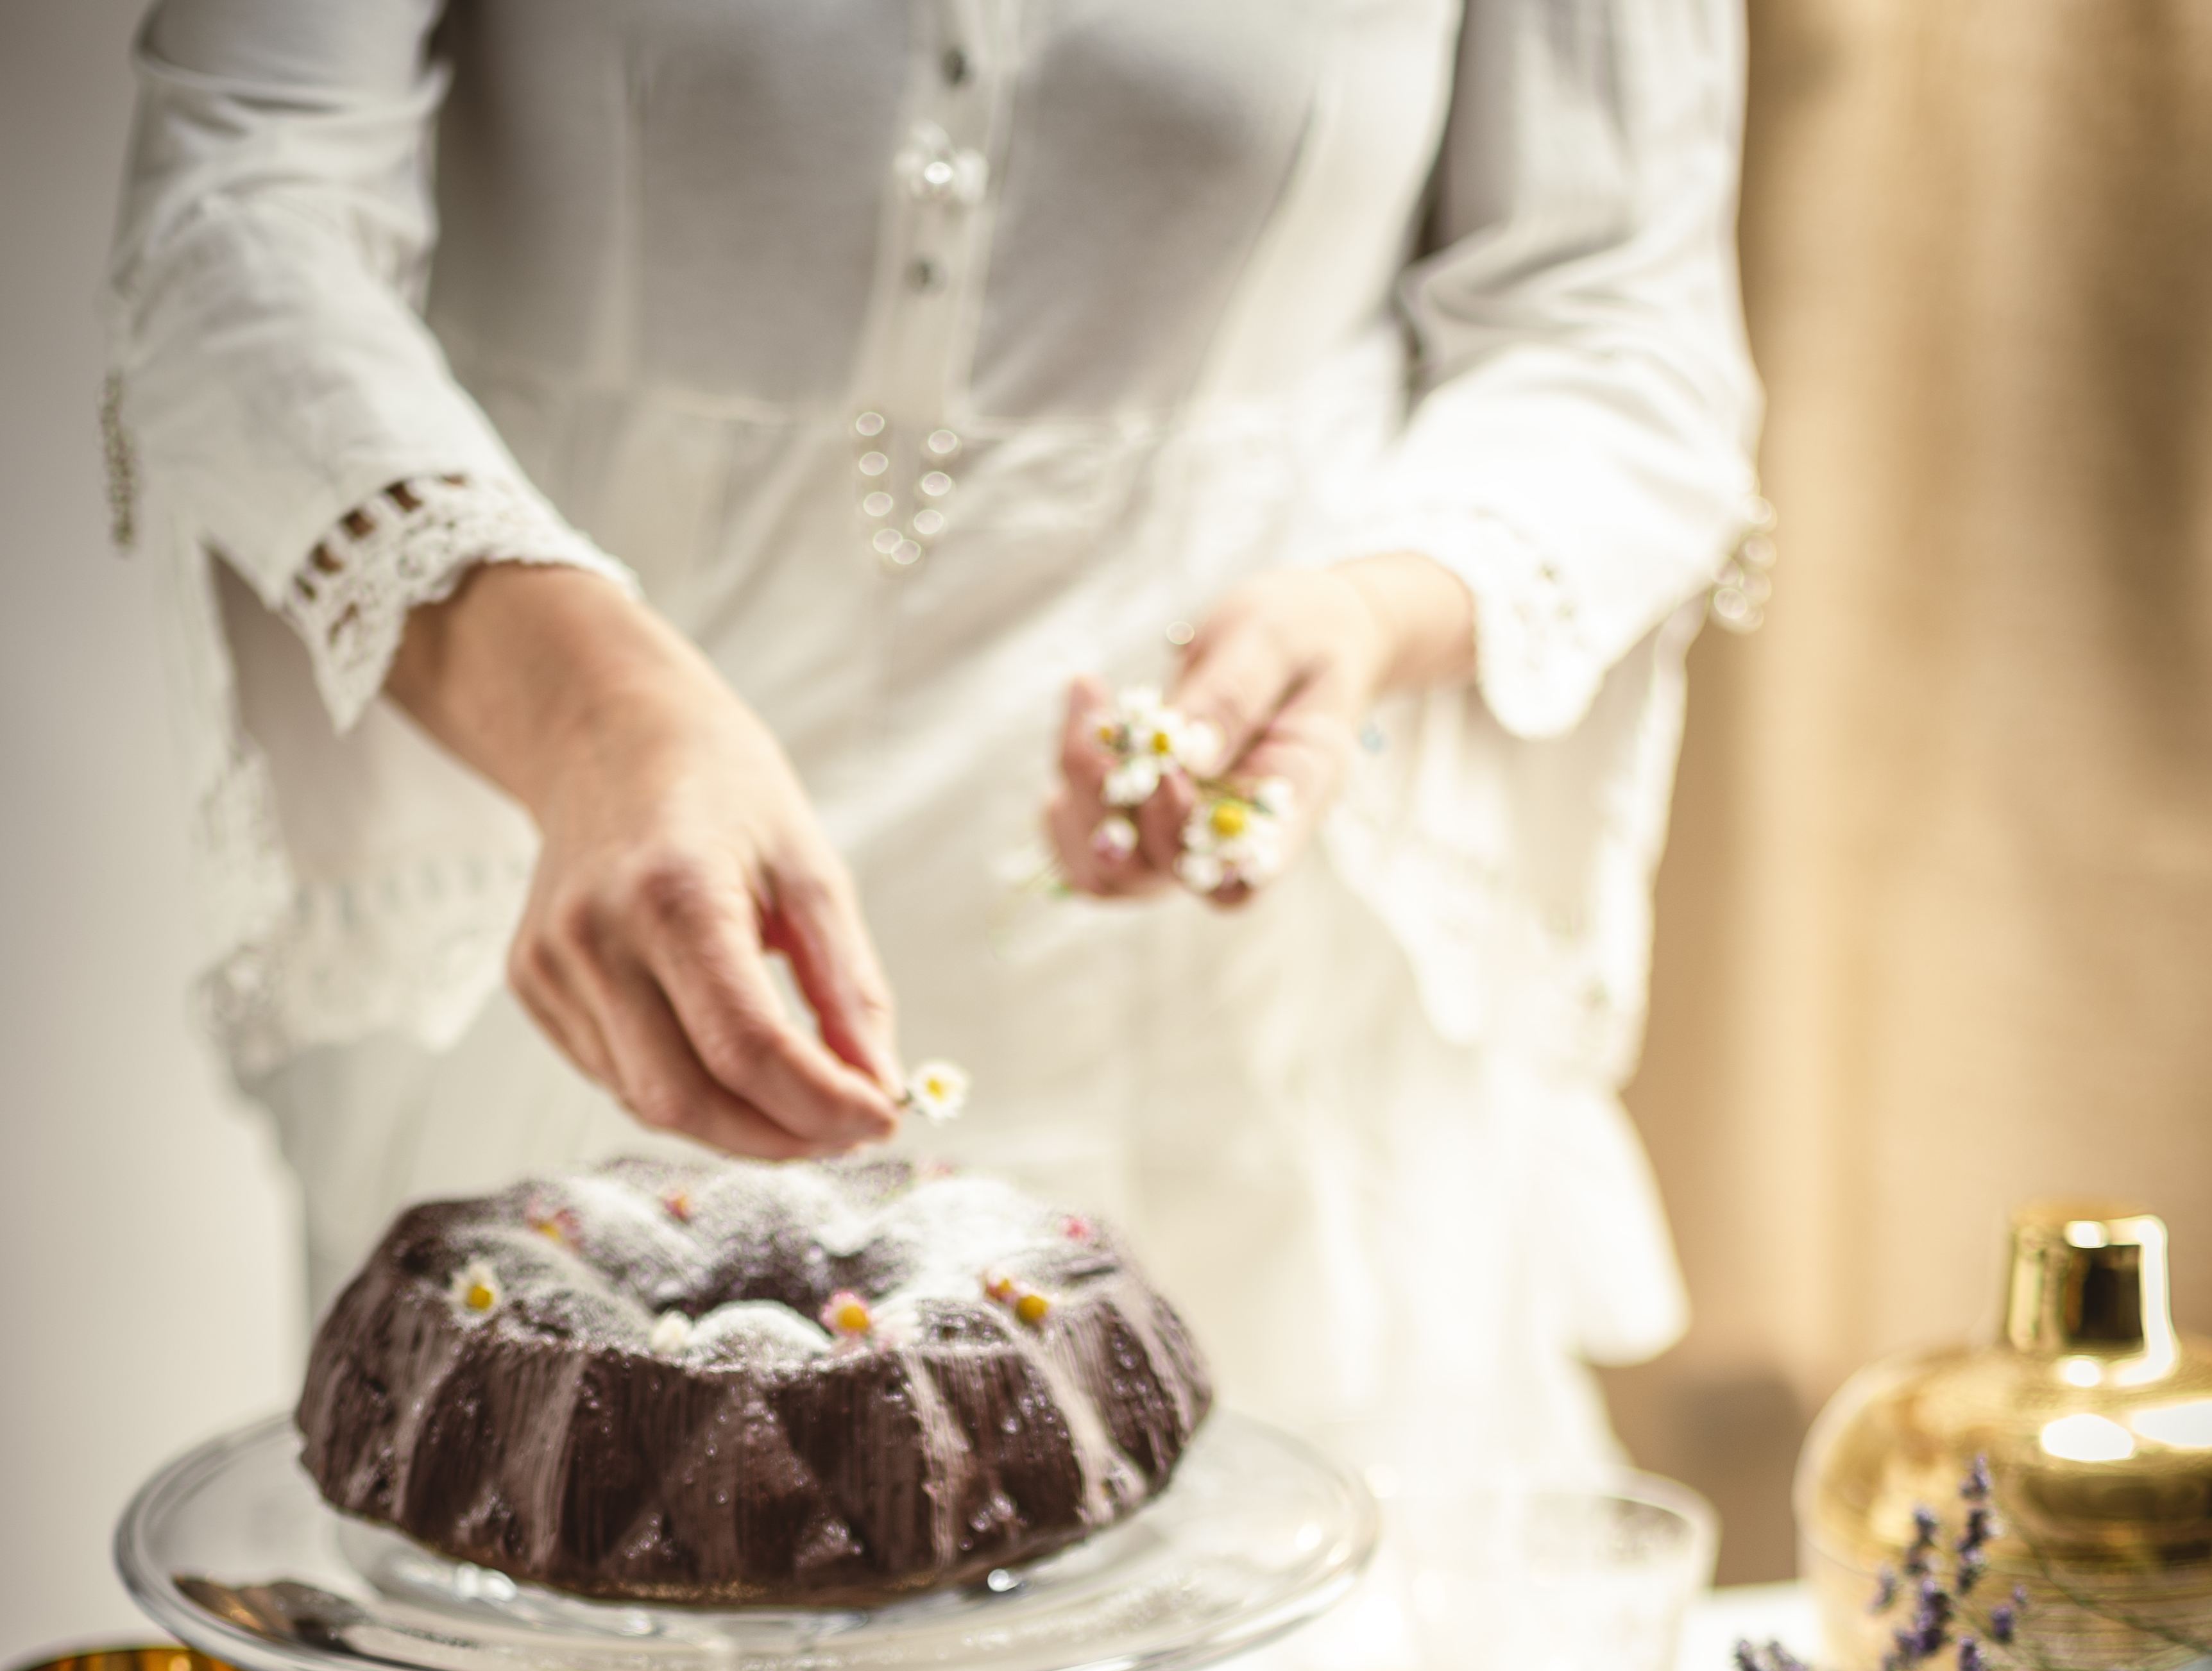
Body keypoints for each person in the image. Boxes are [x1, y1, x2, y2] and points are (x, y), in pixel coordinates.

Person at [108, 1, 1764, 1484]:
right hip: (578, 898)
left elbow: (1617, 328)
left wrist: (1364, 617)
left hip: (1237, 997)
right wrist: (586, 709)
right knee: (570, 1614)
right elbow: (236, 211)